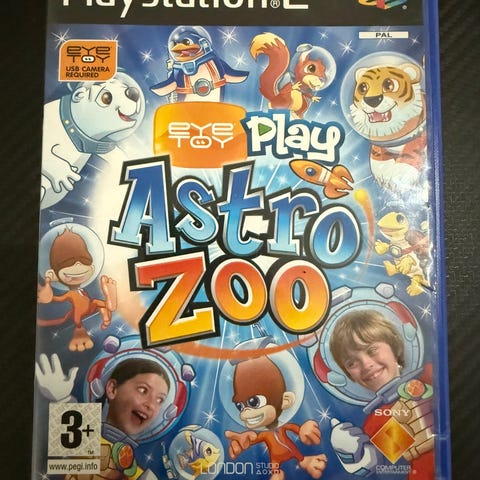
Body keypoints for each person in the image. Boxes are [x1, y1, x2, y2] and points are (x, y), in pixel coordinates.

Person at [327, 310, 434, 479]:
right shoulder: (378, 421)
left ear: (394, 345)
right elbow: (384, 463)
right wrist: (354, 456)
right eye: (352, 363)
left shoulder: (430, 376)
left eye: (372, 350)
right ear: (348, 374)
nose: (366, 364)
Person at [36, 354, 170, 480]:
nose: (151, 405)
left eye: (160, 400)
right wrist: (63, 399)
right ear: (112, 389)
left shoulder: (136, 470)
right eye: (143, 390)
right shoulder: (84, 434)